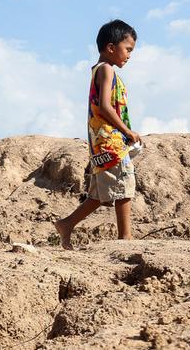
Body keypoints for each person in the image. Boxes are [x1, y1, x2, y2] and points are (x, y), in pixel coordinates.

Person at [54, 19, 142, 250]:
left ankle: (67, 224)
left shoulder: (99, 70)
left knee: (98, 193)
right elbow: (104, 106)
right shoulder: (106, 69)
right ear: (111, 47)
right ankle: (126, 238)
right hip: (111, 141)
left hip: (101, 141)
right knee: (124, 185)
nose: (130, 55)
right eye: (128, 49)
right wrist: (127, 131)